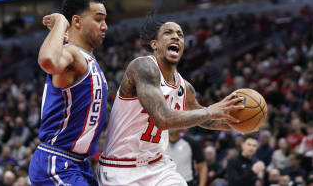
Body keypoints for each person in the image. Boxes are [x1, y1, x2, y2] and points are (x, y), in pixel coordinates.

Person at [97, 14, 244, 185]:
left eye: (180, 34)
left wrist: (236, 123)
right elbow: (163, 119)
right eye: (168, 32)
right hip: (121, 168)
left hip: (158, 167)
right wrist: (209, 111)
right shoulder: (142, 67)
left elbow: (203, 119)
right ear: (155, 44)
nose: (175, 36)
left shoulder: (185, 86)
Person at [29, 0, 108, 186]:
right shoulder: (71, 53)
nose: (105, 26)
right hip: (57, 162)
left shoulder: (88, 59)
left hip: (78, 163)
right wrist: (60, 23)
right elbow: (48, 60)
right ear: (77, 22)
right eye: (98, 19)